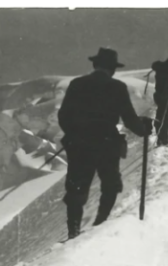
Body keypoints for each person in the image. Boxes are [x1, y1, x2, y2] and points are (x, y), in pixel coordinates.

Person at [58, 47, 153, 240]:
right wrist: (143, 130)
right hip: (106, 143)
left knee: (77, 187)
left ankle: (73, 230)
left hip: (79, 144)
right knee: (110, 184)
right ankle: (100, 223)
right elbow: (128, 118)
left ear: (94, 65)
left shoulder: (77, 84)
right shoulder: (117, 87)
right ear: (112, 69)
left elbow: (64, 115)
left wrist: (73, 134)